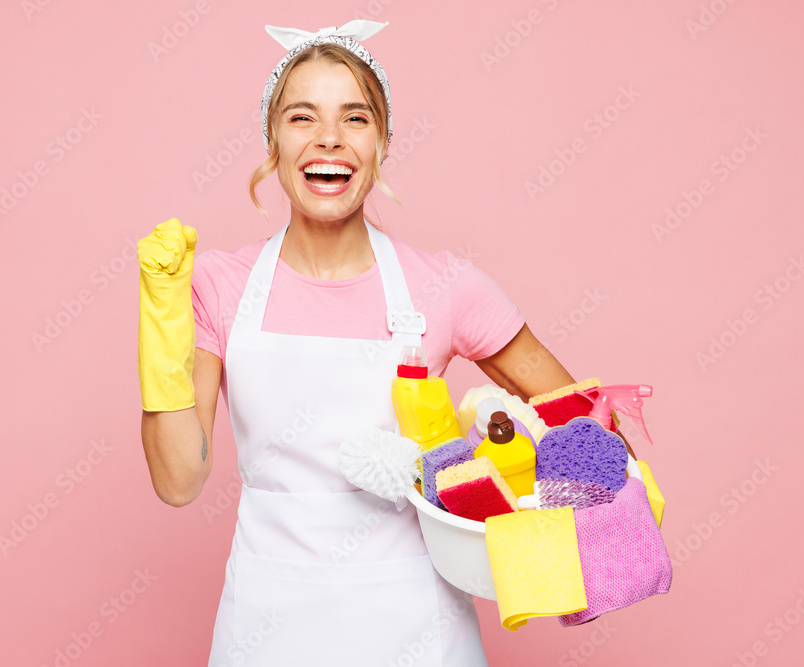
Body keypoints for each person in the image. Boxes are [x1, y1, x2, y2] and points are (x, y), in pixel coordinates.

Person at [137, 20, 578, 666]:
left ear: (383, 142)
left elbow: (581, 427)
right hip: (265, 626)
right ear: (272, 140)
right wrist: (161, 325)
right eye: (301, 118)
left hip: (419, 632)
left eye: (355, 118)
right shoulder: (218, 285)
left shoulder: (445, 286)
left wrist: (507, 502)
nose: (329, 139)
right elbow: (178, 481)